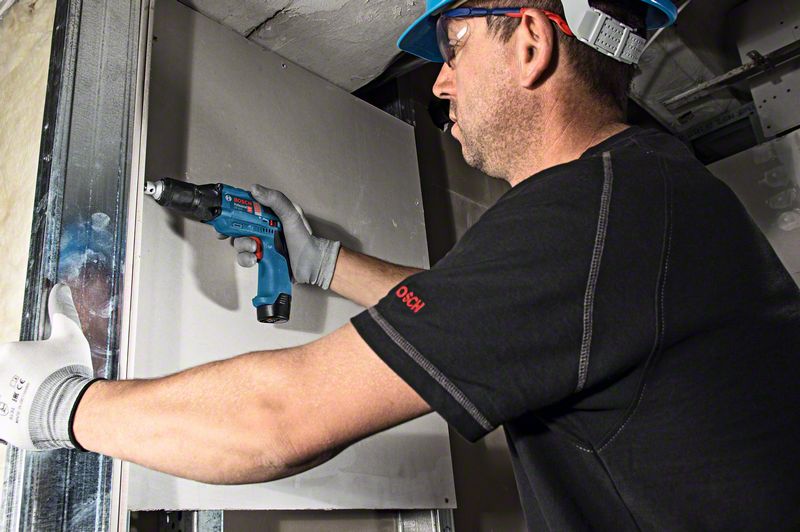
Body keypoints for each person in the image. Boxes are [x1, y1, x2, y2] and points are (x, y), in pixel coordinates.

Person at [2, 0, 799, 528]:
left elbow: (279, 420)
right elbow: (475, 315)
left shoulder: (593, 213)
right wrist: (324, 263)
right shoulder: (647, 198)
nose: (440, 83)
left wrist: (55, 406)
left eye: (454, 47)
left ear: (530, 42)